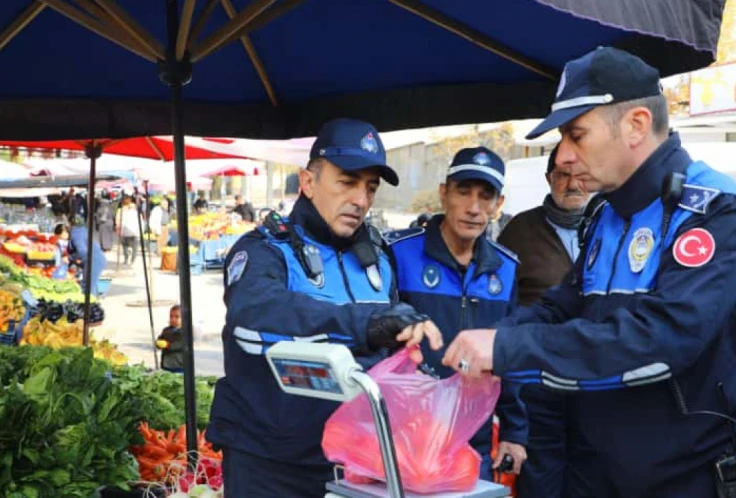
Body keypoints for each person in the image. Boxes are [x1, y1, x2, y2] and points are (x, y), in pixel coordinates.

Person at [441, 47, 736, 497]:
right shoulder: (608, 216)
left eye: (576, 135)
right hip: (602, 473)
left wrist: (508, 348)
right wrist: (487, 340)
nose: (562, 156)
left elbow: (663, 339)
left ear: (636, 125)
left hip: (693, 481)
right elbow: (561, 308)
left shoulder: (714, 211)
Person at [206, 118, 443, 498]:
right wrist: (367, 324)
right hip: (269, 463)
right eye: (347, 182)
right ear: (308, 181)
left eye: (370, 188)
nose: (361, 200)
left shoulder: (379, 259)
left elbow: (389, 349)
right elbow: (254, 317)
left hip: (357, 465)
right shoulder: (264, 250)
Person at [386, 146, 528, 480]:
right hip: (406, 436)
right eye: (463, 192)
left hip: (473, 442)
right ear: (443, 194)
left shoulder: (505, 269)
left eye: (485, 196)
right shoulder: (399, 253)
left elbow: (510, 354)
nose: (474, 208)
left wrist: (514, 432)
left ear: (499, 205)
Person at [496, 144, 596, 497]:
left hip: (596, 386)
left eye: (581, 176)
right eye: (563, 176)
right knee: (542, 486)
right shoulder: (519, 233)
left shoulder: (610, 228)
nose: (573, 184)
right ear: (548, 178)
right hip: (538, 388)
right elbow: (505, 311)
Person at [68, 215, 107, 298]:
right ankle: (94, 304)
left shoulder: (76, 234)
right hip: (98, 259)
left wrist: (70, 258)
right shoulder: (83, 230)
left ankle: (90, 307)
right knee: (92, 285)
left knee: (88, 287)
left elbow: (82, 251)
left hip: (93, 260)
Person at [156, 305, 184, 373]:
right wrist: (158, 343)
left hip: (179, 365)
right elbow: (160, 339)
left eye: (177, 317)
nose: (173, 319)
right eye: (171, 316)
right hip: (166, 364)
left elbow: (179, 344)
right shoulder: (166, 330)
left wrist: (168, 345)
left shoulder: (185, 332)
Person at [116, 196, 141, 266]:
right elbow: (141, 223)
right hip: (135, 232)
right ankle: (133, 260)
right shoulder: (137, 214)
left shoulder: (123, 212)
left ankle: (126, 259)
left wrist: (120, 231)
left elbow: (120, 222)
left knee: (125, 246)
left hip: (126, 232)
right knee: (135, 247)